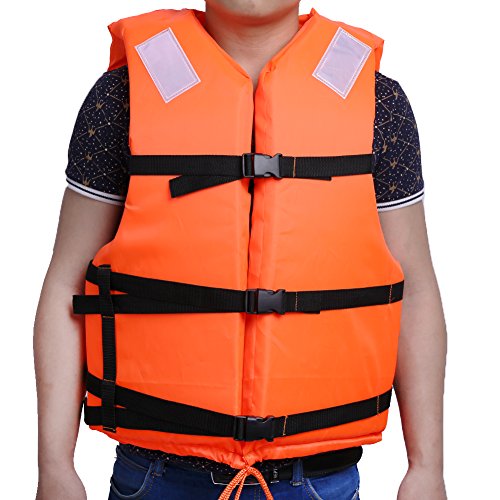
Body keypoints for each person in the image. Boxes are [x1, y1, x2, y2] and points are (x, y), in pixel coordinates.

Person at [34, 1, 447, 499]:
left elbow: (414, 288)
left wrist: (426, 467)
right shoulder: (123, 97)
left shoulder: (379, 103)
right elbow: (67, 283)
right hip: (157, 477)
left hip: (318, 481)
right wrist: (55, 465)